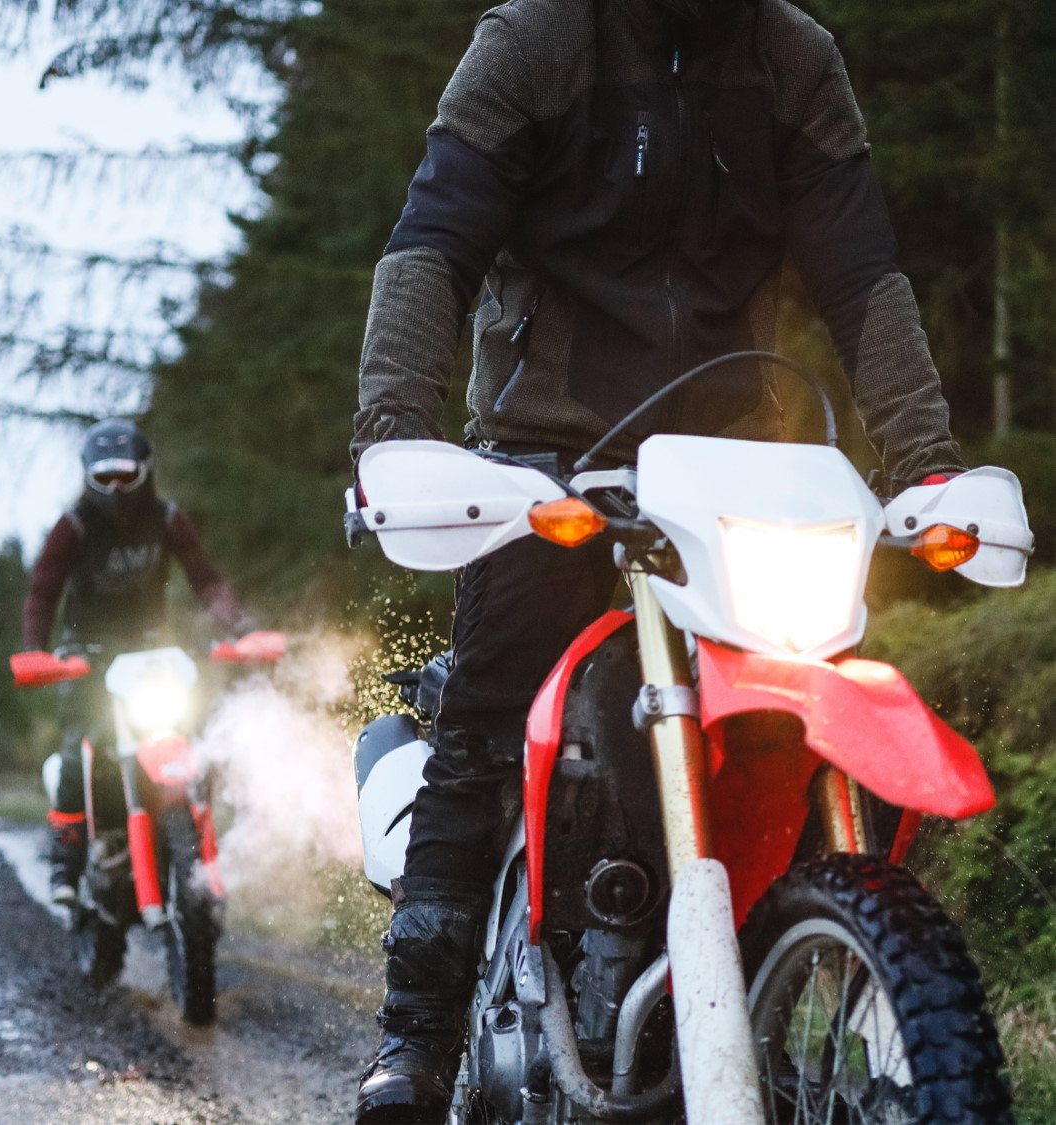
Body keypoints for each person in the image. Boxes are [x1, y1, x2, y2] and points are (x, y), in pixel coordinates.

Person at [351, 0, 967, 1119]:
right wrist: (394, 431)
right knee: (485, 729)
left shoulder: (793, 57)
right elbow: (434, 242)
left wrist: (926, 461)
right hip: (549, 462)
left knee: (810, 713)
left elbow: (862, 275)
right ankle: (417, 1040)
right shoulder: (537, 41)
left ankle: (825, 999)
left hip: (736, 474)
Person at [22, 418, 254, 907]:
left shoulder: (167, 519)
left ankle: (196, 839)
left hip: (151, 652)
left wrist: (242, 628)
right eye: (103, 476)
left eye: (124, 475)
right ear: (87, 476)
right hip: (87, 653)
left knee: (192, 735)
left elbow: (205, 579)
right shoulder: (74, 526)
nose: (115, 487)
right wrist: (35, 651)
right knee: (78, 748)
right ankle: (66, 860)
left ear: (145, 471)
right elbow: (43, 589)